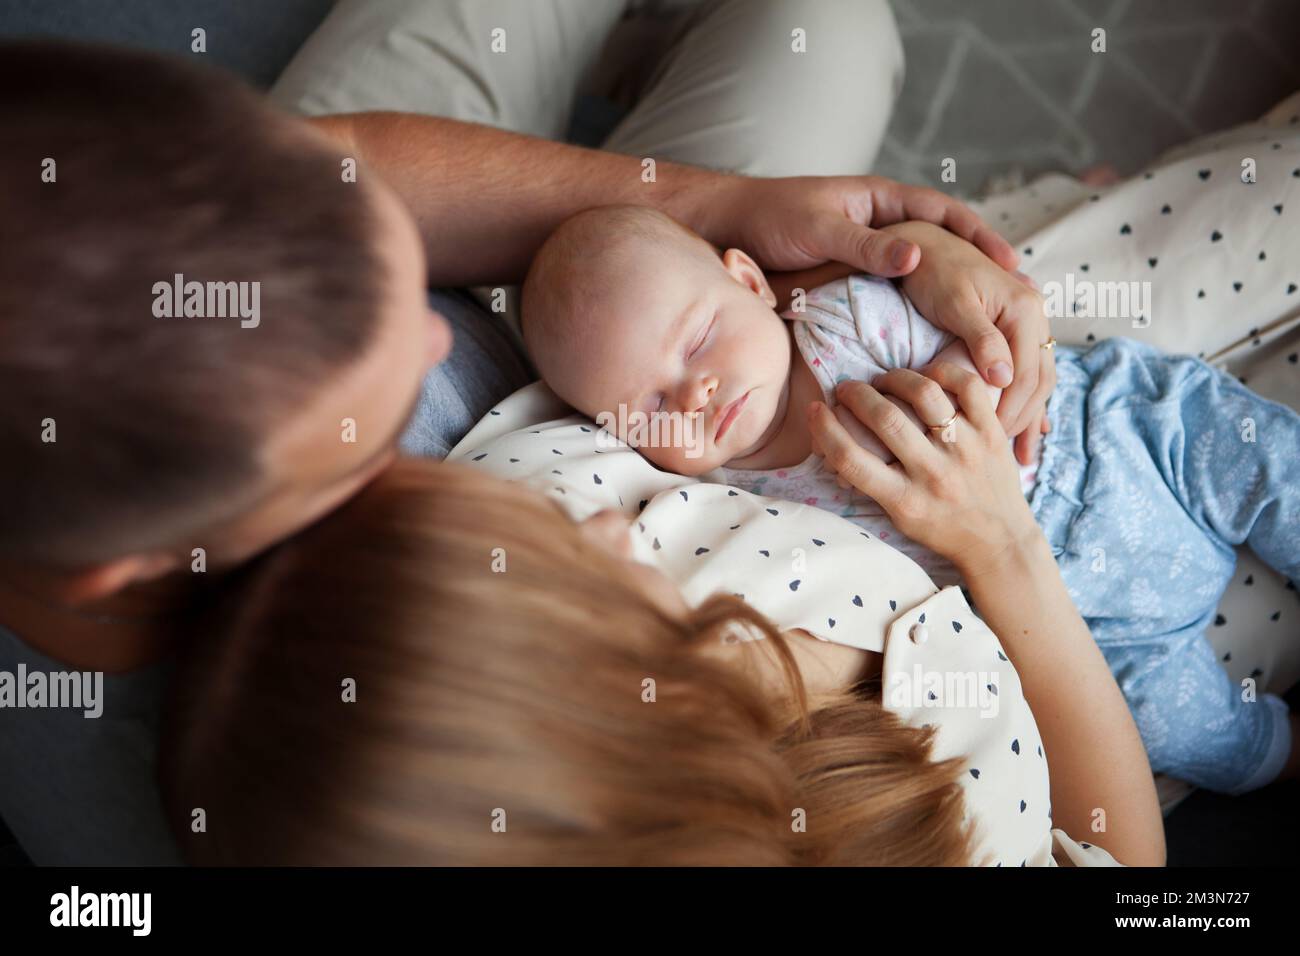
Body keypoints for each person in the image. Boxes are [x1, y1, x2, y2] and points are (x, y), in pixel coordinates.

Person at [0, 30, 1039, 863]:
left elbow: (346, 168)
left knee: (822, 30)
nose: (435, 333)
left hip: (624, 287)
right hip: (632, 362)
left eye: (392, 297)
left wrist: (709, 211)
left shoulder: (132, 278)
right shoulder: (322, 749)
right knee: (835, 34)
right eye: (359, 433)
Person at [160, 396, 1166, 865]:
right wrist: (1006, 548)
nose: (606, 528)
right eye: (583, 574)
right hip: (1095, 643)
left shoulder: (538, 495)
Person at [522, 203, 1299, 795]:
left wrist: (968, 372)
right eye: (653, 407)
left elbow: (980, 337)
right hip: (1092, 624)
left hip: (1122, 439)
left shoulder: (843, 320)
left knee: (1267, 465)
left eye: (697, 343)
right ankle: (1280, 751)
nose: (696, 391)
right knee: (1181, 731)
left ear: (752, 282)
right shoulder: (740, 506)